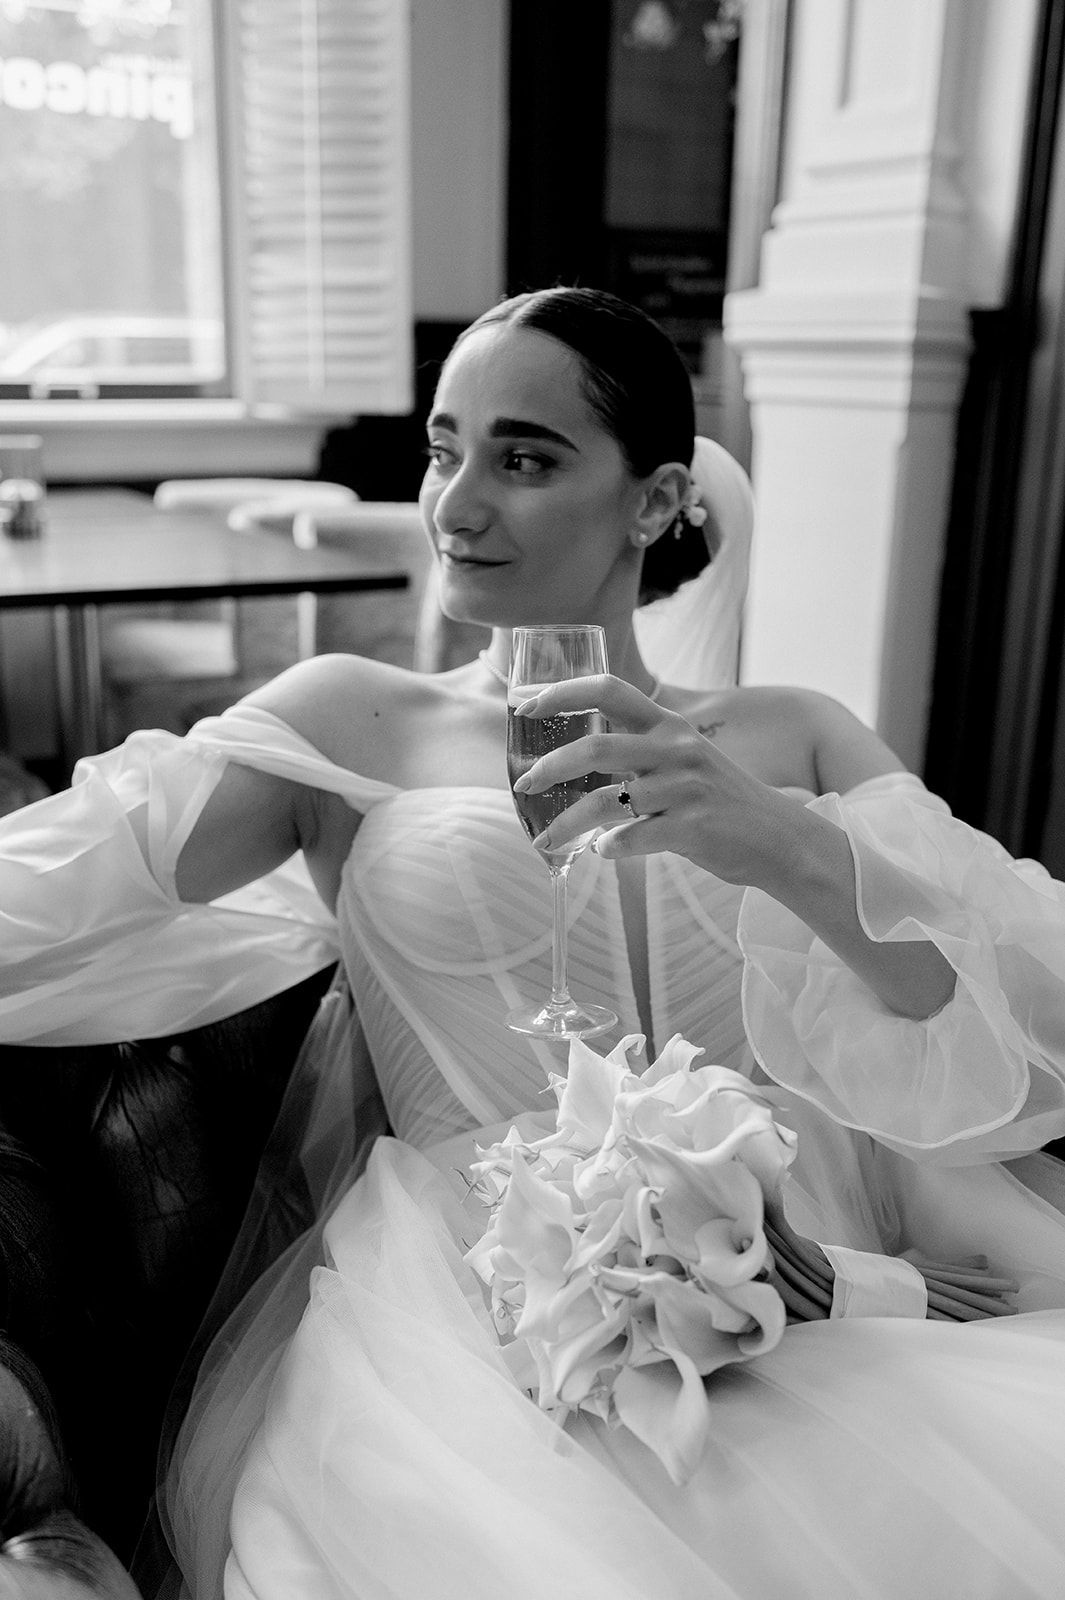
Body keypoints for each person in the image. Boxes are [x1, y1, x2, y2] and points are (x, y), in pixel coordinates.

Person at [2, 288, 1065, 1599]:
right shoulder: (350, 719)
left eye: (524, 459)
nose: (454, 506)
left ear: (653, 501)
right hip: (467, 1298)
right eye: (443, 450)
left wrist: (775, 841)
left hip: (811, 1268)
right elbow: (41, 887)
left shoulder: (793, 732)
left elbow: (988, 1037)